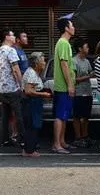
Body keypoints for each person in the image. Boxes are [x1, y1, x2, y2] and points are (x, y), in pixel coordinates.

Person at [52, 19, 77, 153]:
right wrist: (69, 85)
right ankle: (56, 144)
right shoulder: (63, 43)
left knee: (65, 115)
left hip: (64, 86)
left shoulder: (65, 43)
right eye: (72, 25)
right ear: (66, 28)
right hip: (63, 86)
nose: (74, 27)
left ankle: (62, 141)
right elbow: (64, 64)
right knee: (60, 115)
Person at [0, 29, 24, 147]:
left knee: (5, 116)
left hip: (1, 88)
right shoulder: (11, 50)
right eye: (12, 36)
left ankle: (5, 139)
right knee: (19, 114)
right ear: (7, 37)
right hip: (12, 88)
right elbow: (15, 69)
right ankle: (22, 140)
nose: (14, 38)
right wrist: (22, 84)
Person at [22, 51, 51, 157]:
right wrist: (43, 93)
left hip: (35, 102)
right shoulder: (31, 73)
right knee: (32, 125)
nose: (44, 63)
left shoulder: (34, 73)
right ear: (36, 63)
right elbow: (28, 91)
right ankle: (29, 150)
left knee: (34, 125)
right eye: (43, 61)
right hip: (31, 102)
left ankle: (29, 148)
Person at [72, 40, 93, 148]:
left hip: (87, 91)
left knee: (86, 116)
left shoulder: (87, 61)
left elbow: (90, 72)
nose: (88, 49)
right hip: (78, 92)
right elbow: (75, 79)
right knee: (77, 116)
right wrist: (89, 76)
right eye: (86, 47)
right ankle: (78, 137)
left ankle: (85, 136)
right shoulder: (74, 61)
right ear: (80, 48)